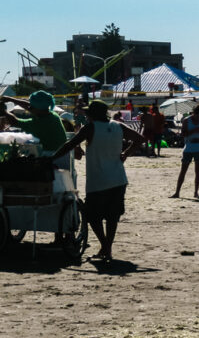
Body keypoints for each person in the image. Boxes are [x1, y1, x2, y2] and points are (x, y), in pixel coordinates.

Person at [53, 100, 143, 261]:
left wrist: (51, 158)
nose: (86, 116)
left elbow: (70, 144)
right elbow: (139, 138)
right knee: (112, 216)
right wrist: (125, 154)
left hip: (98, 180)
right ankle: (107, 248)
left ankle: (105, 246)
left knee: (92, 216)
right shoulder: (118, 126)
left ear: (92, 114)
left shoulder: (91, 127)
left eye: (88, 113)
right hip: (118, 178)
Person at [0, 90, 68, 156]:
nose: (29, 108)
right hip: (61, 153)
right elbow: (29, 106)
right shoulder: (51, 114)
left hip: (52, 155)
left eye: (31, 107)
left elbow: (15, 121)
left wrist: (4, 112)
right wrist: (11, 99)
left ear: (38, 108)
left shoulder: (40, 123)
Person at [171, 106, 199, 199]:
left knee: (198, 172)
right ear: (193, 113)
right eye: (197, 115)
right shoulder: (187, 120)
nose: (198, 117)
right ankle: (177, 192)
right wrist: (195, 130)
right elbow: (183, 134)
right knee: (183, 171)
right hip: (189, 147)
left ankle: (196, 192)